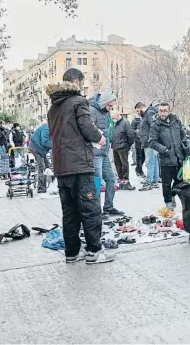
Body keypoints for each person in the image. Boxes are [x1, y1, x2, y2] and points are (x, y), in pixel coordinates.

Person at [47, 68, 113, 264]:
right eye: (82, 83)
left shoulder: (53, 107)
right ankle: (93, 251)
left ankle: (72, 252)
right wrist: (100, 138)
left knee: (70, 211)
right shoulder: (78, 102)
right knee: (90, 208)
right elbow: (87, 127)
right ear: (76, 81)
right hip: (79, 165)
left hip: (61, 166)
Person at [88, 91, 125, 215]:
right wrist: (98, 138)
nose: (111, 109)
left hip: (104, 153)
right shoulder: (92, 111)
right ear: (104, 103)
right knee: (96, 182)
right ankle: (96, 211)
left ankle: (108, 206)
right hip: (95, 153)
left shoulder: (105, 112)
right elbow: (89, 129)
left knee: (111, 179)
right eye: (109, 106)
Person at [149, 102, 187, 210]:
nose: (163, 113)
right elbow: (152, 142)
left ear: (169, 111)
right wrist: (164, 149)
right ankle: (168, 203)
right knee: (166, 184)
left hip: (179, 157)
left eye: (165, 110)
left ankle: (172, 195)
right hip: (166, 159)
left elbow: (183, 133)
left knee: (180, 181)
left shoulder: (176, 120)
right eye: (161, 110)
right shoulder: (155, 125)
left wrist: (185, 144)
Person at [138, 101, 160, 190]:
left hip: (149, 142)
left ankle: (149, 182)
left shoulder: (149, 112)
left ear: (141, 107)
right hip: (150, 141)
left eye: (137, 110)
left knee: (150, 162)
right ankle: (154, 180)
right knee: (154, 162)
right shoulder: (149, 113)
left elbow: (153, 126)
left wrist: (149, 138)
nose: (138, 113)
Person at [111, 111, 135, 190]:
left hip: (123, 146)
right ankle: (120, 179)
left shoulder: (125, 122)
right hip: (115, 146)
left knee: (124, 164)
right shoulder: (115, 123)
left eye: (113, 118)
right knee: (117, 164)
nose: (113, 119)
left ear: (118, 115)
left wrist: (127, 146)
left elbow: (130, 135)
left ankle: (126, 181)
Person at [28, 120, 52, 193]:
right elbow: (45, 142)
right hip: (36, 148)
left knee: (48, 165)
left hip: (40, 149)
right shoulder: (46, 128)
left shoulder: (49, 128)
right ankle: (41, 188)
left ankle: (46, 183)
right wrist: (56, 145)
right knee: (41, 166)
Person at [131, 111, 145, 178]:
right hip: (138, 141)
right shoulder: (135, 120)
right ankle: (140, 171)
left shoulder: (145, 119)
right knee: (139, 156)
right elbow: (131, 130)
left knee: (144, 157)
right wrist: (136, 132)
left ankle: (137, 168)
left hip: (144, 141)